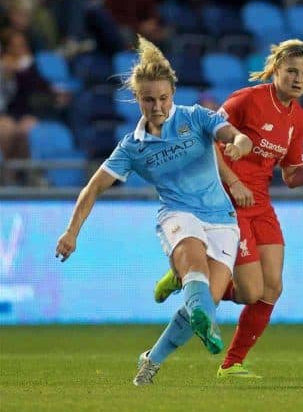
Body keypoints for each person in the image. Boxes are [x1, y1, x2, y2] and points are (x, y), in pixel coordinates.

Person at [54, 35, 253, 385]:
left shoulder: (196, 117)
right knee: (196, 271)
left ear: (172, 94)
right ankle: (192, 292)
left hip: (221, 219)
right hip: (177, 214)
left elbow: (237, 136)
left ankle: (152, 358)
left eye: (163, 98)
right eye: (149, 100)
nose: (157, 106)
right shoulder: (132, 147)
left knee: (207, 301)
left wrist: (237, 145)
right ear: (136, 99)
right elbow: (93, 188)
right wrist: (72, 231)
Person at [153, 38, 303, 378]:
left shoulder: (299, 117)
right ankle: (189, 276)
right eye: (291, 71)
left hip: (261, 203)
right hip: (229, 201)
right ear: (276, 70)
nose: (298, 79)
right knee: (250, 291)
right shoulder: (247, 100)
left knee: (272, 287)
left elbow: (290, 174)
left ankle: (232, 364)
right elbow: (207, 139)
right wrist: (234, 182)